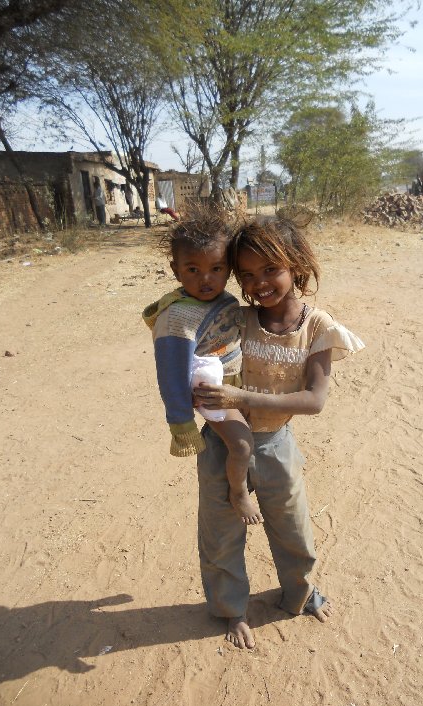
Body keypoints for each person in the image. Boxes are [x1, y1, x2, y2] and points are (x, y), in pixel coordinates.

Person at [193, 215, 365, 649]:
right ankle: (232, 610)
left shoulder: (318, 327)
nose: (260, 283)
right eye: (247, 274)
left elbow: (314, 400)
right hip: (222, 444)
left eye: (271, 269)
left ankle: (301, 594)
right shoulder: (234, 318)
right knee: (222, 533)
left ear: (296, 264)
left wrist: (242, 399)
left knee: (292, 529)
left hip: (275, 445)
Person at [142, 208, 263, 525]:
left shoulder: (224, 299)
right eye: (193, 269)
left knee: (250, 435)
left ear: (229, 269)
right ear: (176, 269)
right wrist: (182, 425)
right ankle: (238, 492)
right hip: (212, 392)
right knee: (241, 444)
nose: (205, 278)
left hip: (235, 384)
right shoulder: (178, 318)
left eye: (216, 268)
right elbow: (170, 376)